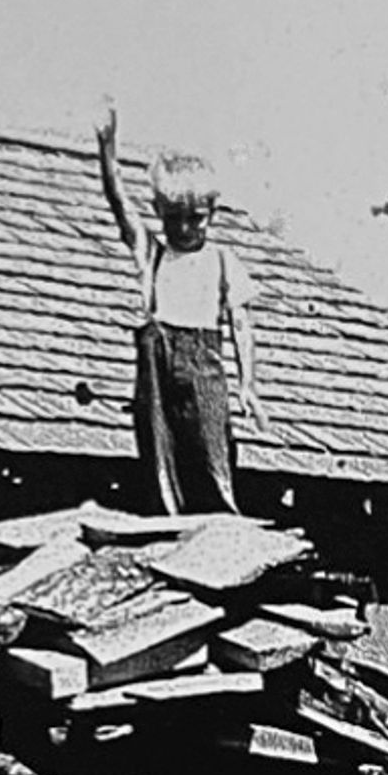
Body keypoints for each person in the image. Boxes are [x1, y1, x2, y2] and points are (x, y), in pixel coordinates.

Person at [94, 106, 268, 513]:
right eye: (175, 219)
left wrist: (248, 384)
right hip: (157, 360)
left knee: (210, 442)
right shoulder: (152, 253)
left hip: (202, 361)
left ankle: (222, 513)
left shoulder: (223, 260)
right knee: (159, 441)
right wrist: (107, 155)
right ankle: (167, 512)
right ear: (159, 212)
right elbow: (119, 203)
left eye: (196, 219)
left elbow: (241, 322)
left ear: (213, 214)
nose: (186, 229)